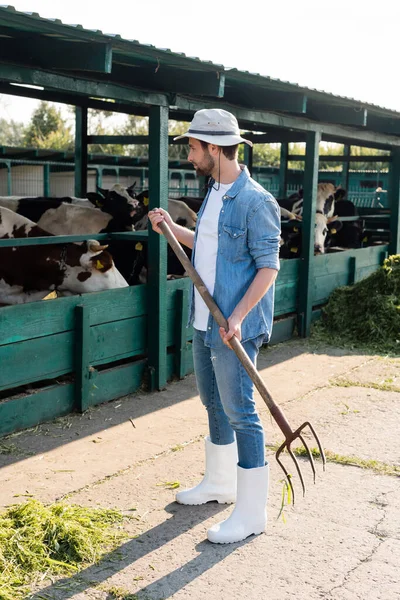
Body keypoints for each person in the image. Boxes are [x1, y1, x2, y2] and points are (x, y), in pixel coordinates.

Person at [148, 108, 281, 544]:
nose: (188, 156)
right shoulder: (214, 191)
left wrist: (239, 316)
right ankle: (220, 485)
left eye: (192, 147)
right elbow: (206, 242)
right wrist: (172, 227)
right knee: (212, 403)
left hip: (233, 325)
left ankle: (251, 513)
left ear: (213, 148)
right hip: (205, 319)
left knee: (242, 413)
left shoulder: (256, 201)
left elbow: (268, 268)